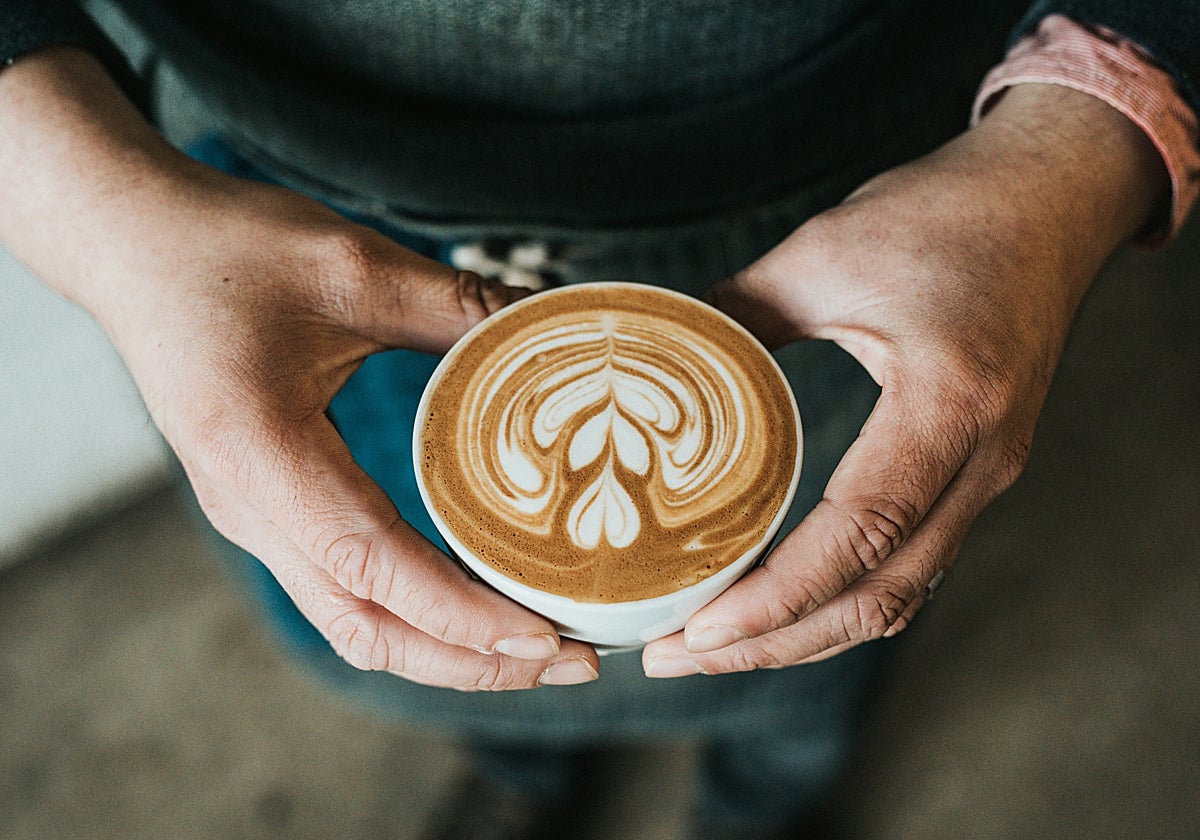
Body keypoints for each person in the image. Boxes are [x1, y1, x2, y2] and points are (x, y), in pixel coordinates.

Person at [2, 2, 1196, 838]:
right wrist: (93, 209)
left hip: (850, 221)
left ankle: (766, 802)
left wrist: (1075, 145)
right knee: (459, 643)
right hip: (261, 234)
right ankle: (525, 765)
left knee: (831, 618)